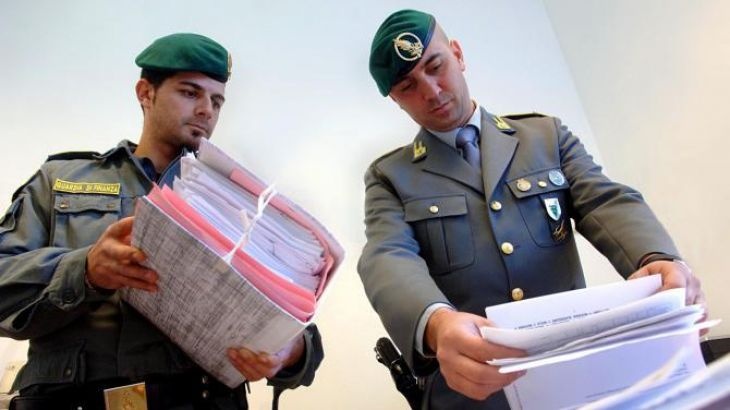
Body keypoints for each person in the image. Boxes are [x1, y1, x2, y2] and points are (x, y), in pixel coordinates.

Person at [357, 9, 705, 409]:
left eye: (436, 67)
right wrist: (436, 323)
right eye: (408, 86)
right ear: (395, 100)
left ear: (458, 55)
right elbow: (387, 256)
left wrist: (657, 257)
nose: (432, 91)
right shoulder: (390, 176)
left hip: (579, 379)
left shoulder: (545, 136)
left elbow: (605, 201)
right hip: (475, 393)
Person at [0, 33, 323, 410]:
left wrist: (290, 352)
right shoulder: (60, 180)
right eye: (190, 93)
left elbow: (291, 315)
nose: (206, 110)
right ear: (145, 93)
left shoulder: (239, 205)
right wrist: (84, 270)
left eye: (217, 101)